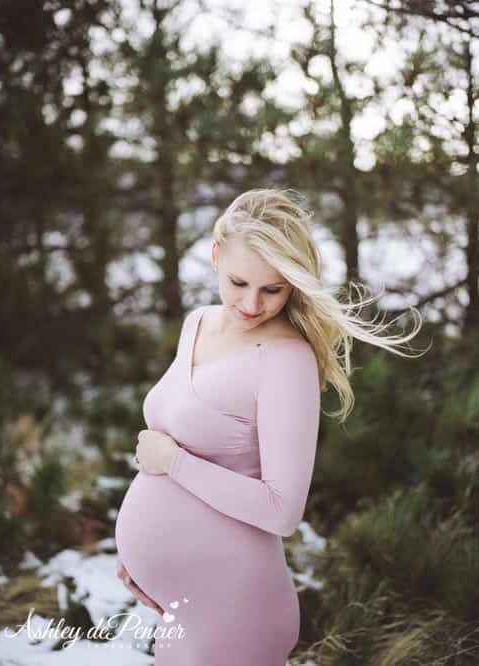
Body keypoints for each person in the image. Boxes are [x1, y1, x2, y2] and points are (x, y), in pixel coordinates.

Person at [113, 189, 425, 664]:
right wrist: (141, 560)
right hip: (183, 608)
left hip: (236, 609)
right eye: (238, 282)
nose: (252, 304)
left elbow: (282, 510)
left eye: (273, 289)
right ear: (216, 257)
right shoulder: (197, 323)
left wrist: (172, 462)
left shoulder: (285, 360)